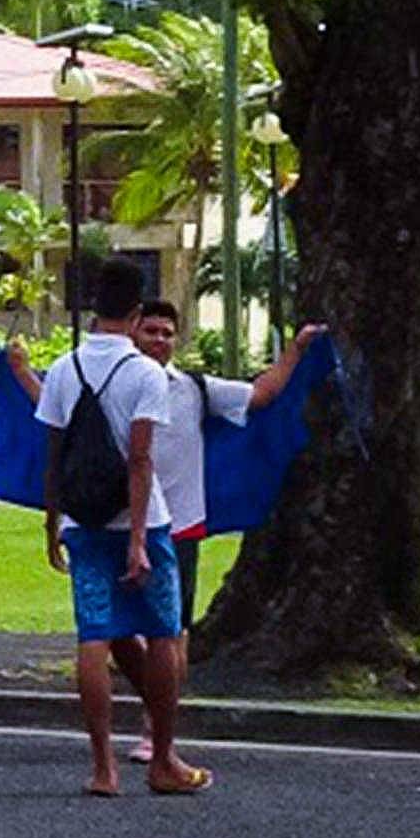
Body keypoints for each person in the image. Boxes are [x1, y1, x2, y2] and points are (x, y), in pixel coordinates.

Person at [127, 298, 326, 793]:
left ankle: (157, 730)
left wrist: (297, 352)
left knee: (172, 631)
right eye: (150, 331)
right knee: (114, 628)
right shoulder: (120, 383)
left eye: (167, 332)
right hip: (123, 523)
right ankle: (155, 709)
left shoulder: (193, 388)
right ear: (132, 334)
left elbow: (259, 396)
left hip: (179, 523)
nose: (159, 340)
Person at [38, 258, 183, 797]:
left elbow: (53, 454)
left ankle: (103, 767)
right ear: (138, 311)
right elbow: (140, 461)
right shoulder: (145, 373)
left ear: (92, 307)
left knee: (93, 637)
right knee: (164, 634)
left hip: (83, 523)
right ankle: (162, 758)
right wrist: (141, 539)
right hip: (139, 523)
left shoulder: (62, 369)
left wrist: (52, 522)